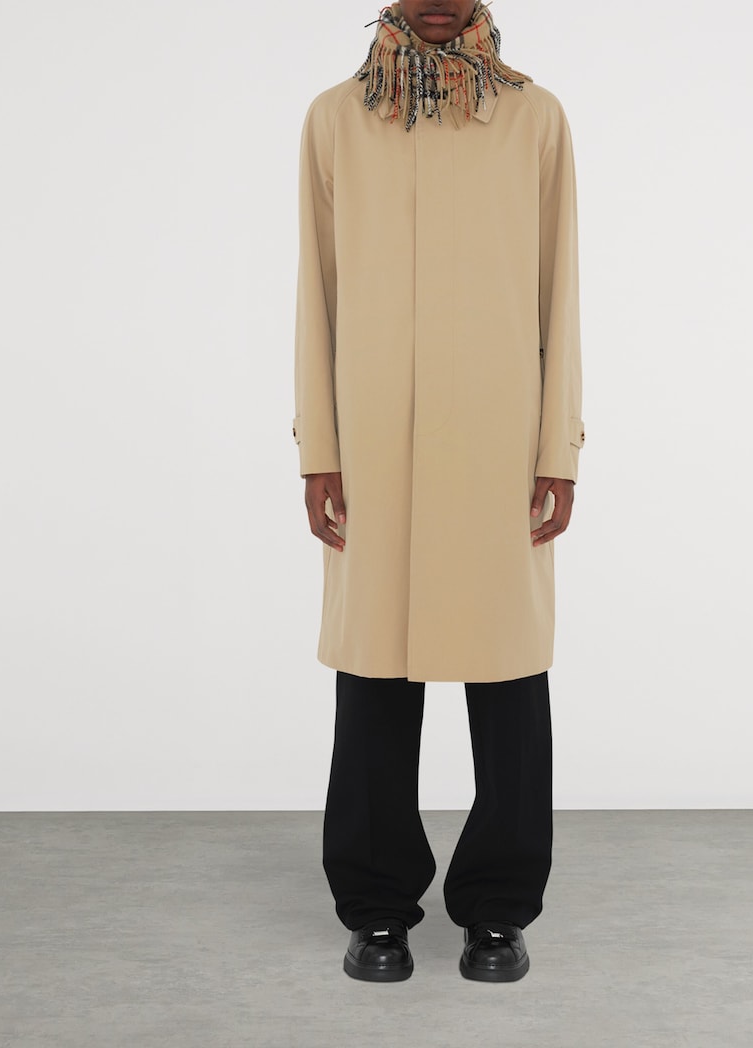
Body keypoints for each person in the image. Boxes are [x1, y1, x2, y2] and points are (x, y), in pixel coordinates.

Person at [293, 0, 584, 983]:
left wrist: (558, 447)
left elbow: (559, 289)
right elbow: (317, 290)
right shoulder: (337, 119)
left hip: (499, 440)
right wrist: (319, 446)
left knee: (508, 678)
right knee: (374, 675)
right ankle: (376, 907)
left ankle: (498, 909)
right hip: (374, 440)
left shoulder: (533, 118)